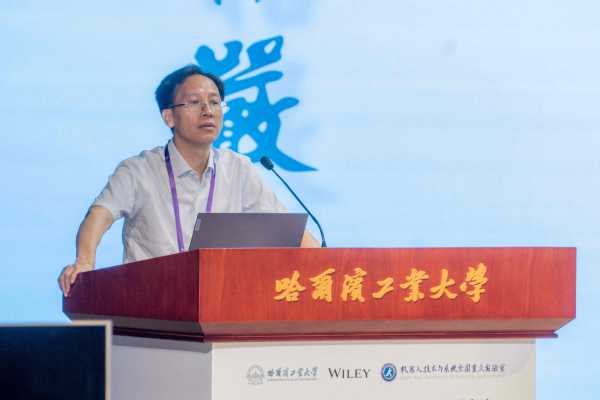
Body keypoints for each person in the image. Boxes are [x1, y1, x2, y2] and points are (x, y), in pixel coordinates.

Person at [58, 64, 318, 296]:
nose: (208, 111)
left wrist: (325, 266)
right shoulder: (138, 170)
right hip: (150, 304)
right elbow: (99, 215)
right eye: (194, 102)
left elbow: (288, 231)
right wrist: (84, 262)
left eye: (215, 102)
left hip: (219, 305)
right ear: (169, 117)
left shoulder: (238, 168)